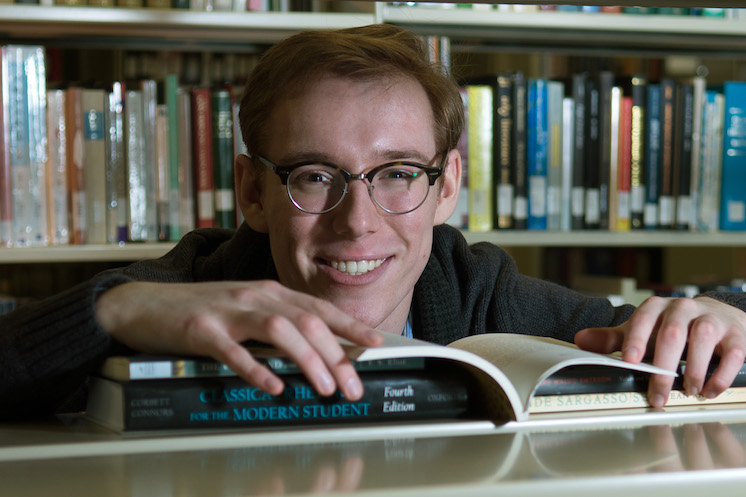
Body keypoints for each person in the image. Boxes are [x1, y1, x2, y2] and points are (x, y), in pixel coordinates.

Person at [1, 24, 745, 419]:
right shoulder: (192, 287)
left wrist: (719, 321)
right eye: (314, 175)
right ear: (252, 192)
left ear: (447, 183)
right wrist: (114, 307)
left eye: (396, 174)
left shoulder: (476, 289)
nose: (357, 223)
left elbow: (664, 344)